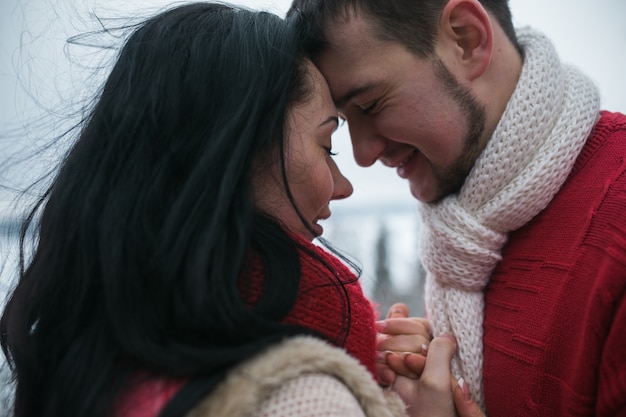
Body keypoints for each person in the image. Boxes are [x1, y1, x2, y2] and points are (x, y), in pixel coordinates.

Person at [0, 3, 480, 417]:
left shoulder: (90, 363)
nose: (344, 186)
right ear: (236, 154)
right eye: (327, 145)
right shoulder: (297, 397)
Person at [288, 0, 626, 415]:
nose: (362, 155)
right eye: (341, 124)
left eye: (371, 105)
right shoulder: (469, 236)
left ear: (468, 38)